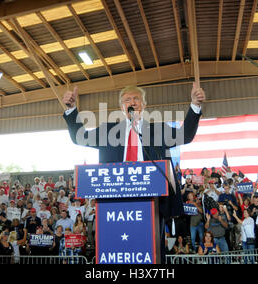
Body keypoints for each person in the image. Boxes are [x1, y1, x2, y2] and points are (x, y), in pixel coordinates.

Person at [62, 83, 205, 261]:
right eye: (127, 99)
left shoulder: (158, 130)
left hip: (152, 203)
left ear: (144, 104)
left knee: (152, 252)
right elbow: (80, 137)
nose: (132, 102)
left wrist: (195, 105)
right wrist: (71, 109)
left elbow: (185, 135)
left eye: (136, 98)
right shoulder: (108, 131)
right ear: (122, 107)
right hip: (113, 203)